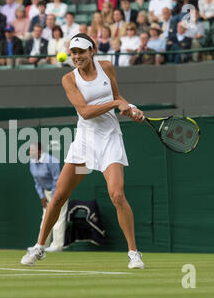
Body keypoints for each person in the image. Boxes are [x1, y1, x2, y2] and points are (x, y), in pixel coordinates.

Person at [21, 33, 145, 269]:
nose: (77, 56)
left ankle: (133, 253)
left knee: (117, 195)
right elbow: (86, 112)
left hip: (109, 140)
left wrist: (130, 107)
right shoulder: (69, 79)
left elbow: (117, 97)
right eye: (73, 52)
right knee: (58, 197)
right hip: (84, 145)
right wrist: (117, 104)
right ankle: (39, 248)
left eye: (81, 52)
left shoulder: (107, 67)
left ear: (92, 51)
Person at [29, 143, 67, 252]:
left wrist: (55, 196)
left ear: (40, 151)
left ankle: (57, 245)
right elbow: (36, 181)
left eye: (32, 150)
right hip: (46, 193)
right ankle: (42, 245)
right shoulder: (32, 162)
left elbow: (57, 179)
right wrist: (42, 196)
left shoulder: (51, 161)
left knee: (59, 217)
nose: (30, 152)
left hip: (59, 192)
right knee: (45, 217)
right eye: (30, 150)